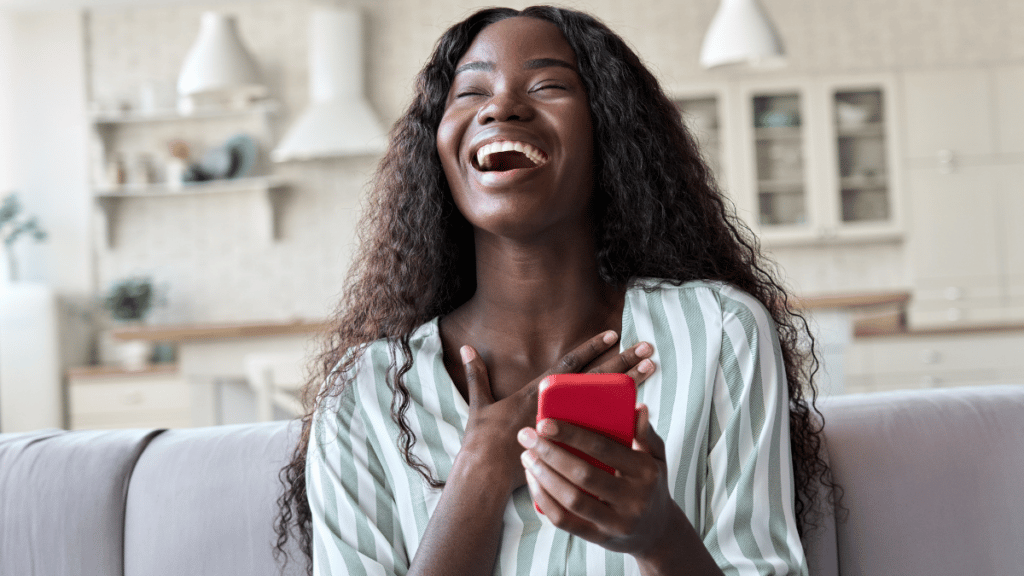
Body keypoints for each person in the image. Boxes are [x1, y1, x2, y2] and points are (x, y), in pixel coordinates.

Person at [275, 6, 833, 576]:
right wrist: (480, 472)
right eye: (470, 92)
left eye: (548, 85)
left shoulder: (719, 332)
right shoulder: (364, 394)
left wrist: (660, 535)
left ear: (608, 131)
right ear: (438, 147)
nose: (501, 106)